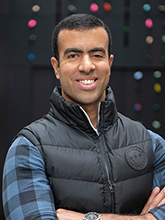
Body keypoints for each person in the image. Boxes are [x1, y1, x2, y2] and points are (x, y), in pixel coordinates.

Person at [2, 13, 165, 220]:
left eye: (97, 55)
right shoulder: (30, 148)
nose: (87, 66)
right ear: (56, 67)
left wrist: (90, 218)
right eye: (73, 55)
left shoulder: (151, 143)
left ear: (110, 62)